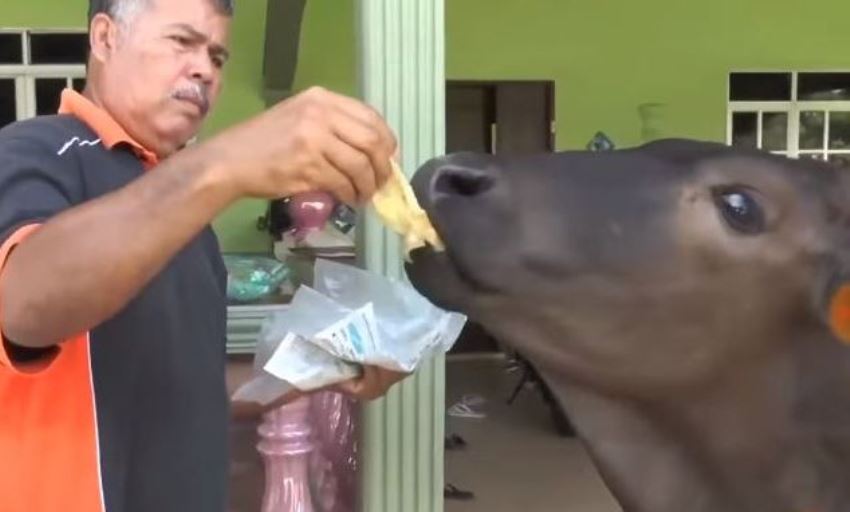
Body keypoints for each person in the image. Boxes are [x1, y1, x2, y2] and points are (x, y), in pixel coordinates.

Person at [0, 1, 409, 511]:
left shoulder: (187, 213)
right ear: (104, 38)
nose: (204, 69)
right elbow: (21, 303)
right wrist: (222, 163)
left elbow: (193, 387)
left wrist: (323, 369)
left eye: (216, 56)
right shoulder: (31, 152)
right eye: (182, 42)